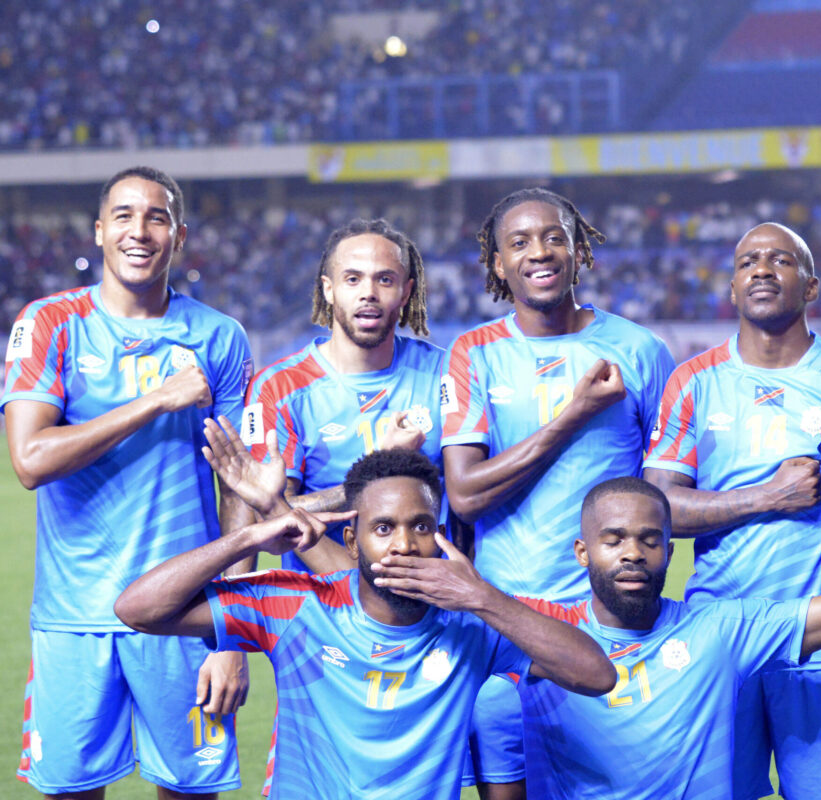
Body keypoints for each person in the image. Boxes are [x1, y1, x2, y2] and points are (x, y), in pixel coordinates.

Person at [395, 423, 821, 800]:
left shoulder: (720, 628)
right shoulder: (534, 633)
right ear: (582, 552)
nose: (633, 553)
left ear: (671, 550)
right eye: (614, 540)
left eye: (650, 539)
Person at [113, 446, 617, 800]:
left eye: (420, 527)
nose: (404, 544)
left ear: (440, 536)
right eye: (383, 528)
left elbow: (596, 675)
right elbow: (137, 609)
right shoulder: (297, 605)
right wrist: (249, 537)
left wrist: (484, 597)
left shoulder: (473, 621)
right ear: (353, 542)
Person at [3, 166, 253, 798]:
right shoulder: (50, 323)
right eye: (123, 216)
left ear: (179, 235)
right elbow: (29, 460)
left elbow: (240, 491)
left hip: (184, 613)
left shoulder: (219, 338)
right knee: (71, 791)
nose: (139, 231)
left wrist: (234, 631)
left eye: (156, 217)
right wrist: (157, 400)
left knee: (190, 792)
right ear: (99, 231)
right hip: (74, 616)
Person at [440, 187, 675, 795]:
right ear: (498, 264)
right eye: (519, 242)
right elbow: (465, 495)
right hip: (504, 621)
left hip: (609, 621)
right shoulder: (472, 354)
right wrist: (574, 414)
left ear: (579, 251)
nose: (539, 252)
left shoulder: (641, 351)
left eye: (554, 237)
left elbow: (664, 492)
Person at [644, 222, 821, 799]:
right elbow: (657, 507)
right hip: (720, 635)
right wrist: (768, 496)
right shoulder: (693, 380)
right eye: (748, 262)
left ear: (811, 285)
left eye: (780, 260)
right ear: (732, 286)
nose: (762, 270)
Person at [241, 218, 441, 574]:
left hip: (428, 595)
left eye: (385, 279)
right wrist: (382, 465)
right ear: (328, 289)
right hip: (322, 596)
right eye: (353, 279)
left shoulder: (444, 373)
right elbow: (272, 514)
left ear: (406, 292)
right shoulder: (278, 388)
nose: (369, 292)